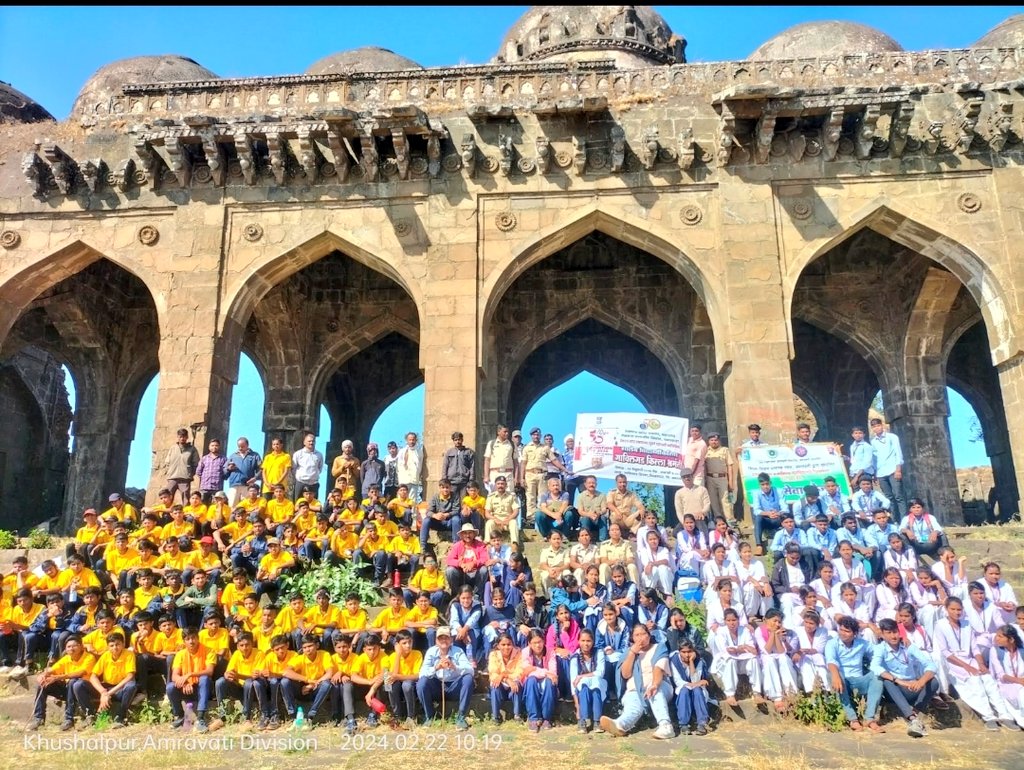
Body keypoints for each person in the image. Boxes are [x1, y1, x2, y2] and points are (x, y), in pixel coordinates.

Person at [935, 596, 1017, 730]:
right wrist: (967, 667)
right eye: (953, 609)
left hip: (971, 661)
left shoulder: (967, 624)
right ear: (946, 609)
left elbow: (974, 647)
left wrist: (981, 664)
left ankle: (1005, 715)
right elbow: (945, 652)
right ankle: (988, 716)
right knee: (975, 683)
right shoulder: (940, 625)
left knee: (988, 679)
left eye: (959, 609)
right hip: (954, 663)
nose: (957, 612)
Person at [599, 622, 675, 739]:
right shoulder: (629, 652)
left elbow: (659, 667)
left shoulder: (659, 647)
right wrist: (632, 653)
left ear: (649, 635)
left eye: (643, 634)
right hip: (635, 688)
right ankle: (620, 724)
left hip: (659, 684)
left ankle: (666, 726)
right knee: (633, 705)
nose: (640, 638)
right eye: (637, 635)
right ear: (632, 638)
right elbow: (625, 674)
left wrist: (654, 685)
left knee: (656, 693)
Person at [871, 618, 938, 737]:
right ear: (882, 634)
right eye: (889, 633)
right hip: (897, 688)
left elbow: (930, 665)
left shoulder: (908, 646)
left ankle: (916, 712)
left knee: (933, 682)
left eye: (895, 632)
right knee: (887, 681)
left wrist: (921, 681)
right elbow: (875, 667)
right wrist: (900, 681)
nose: (893, 636)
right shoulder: (880, 649)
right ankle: (912, 719)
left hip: (913, 687)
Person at [826, 615, 885, 732]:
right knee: (834, 675)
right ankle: (853, 719)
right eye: (841, 630)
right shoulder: (832, 643)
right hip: (842, 680)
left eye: (847, 631)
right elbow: (831, 661)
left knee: (877, 676)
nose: (842, 633)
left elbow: (879, 651)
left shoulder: (861, 643)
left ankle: (869, 718)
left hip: (859, 680)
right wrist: (836, 675)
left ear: (854, 634)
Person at [25, 634, 95, 732]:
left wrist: (59, 677)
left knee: (73, 681)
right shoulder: (66, 658)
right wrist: (44, 675)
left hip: (84, 690)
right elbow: (52, 669)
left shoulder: (89, 657)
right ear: (65, 649)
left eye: (74, 646)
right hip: (69, 691)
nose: (71, 649)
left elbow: (81, 672)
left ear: (81, 646)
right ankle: (39, 718)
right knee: (43, 685)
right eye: (68, 647)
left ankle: (69, 719)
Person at [417, 626, 474, 730]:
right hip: (438, 686)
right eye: (440, 638)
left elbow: (470, 670)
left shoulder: (458, 651)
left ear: (451, 639)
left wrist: (454, 667)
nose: (444, 640)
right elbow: (422, 673)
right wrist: (436, 667)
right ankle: (429, 716)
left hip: (454, 686)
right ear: (436, 641)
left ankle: (461, 717)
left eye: (446, 638)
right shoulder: (431, 652)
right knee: (422, 683)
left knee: (468, 679)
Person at [84, 631, 138, 728]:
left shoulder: (129, 654)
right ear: (108, 646)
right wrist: (103, 692)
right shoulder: (105, 655)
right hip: (106, 687)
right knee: (78, 684)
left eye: (118, 644)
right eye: (112, 645)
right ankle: (90, 716)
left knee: (131, 685)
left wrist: (108, 694)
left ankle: (120, 717)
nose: (115, 648)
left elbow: (130, 676)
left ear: (123, 644)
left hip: (120, 689)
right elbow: (93, 676)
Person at [166, 627, 215, 732]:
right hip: (187, 688)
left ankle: (201, 718)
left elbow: (210, 671)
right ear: (184, 641)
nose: (191, 641)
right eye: (188, 639)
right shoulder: (180, 654)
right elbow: (174, 676)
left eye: (193, 638)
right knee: (170, 687)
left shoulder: (209, 650)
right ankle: (179, 716)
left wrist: (190, 675)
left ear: (198, 638)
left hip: (202, 688)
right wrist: (184, 683)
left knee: (204, 678)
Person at [282, 633, 335, 726]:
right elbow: (286, 672)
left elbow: (329, 673)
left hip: (316, 689)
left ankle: (311, 715)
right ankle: (293, 715)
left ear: (317, 645)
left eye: (310, 646)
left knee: (327, 684)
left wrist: (312, 685)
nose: (307, 649)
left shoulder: (324, 655)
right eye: (305, 647)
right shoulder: (300, 658)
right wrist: (308, 680)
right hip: (301, 689)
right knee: (285, 681)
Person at [712, 608, 761, 706]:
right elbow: (726, 650)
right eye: (728, 621)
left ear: (738, 620)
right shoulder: (721, 632)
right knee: (730, 660)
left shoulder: (745, 630)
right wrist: (742, 648)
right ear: (725, 621)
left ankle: (757, 693)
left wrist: (739, 649)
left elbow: (752, 649)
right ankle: (730, 695)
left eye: (734, 620)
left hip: (743, 661)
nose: (732, 623)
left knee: (754, 660)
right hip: (725, 663)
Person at [519, 427, 568, 526]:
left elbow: (554, 460)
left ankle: (541, 515)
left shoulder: (545, 448)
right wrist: (521, 478)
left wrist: (564, 469)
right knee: (530, 496)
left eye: (538, 434)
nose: (536, 436)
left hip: (542, 474)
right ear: (531, 436)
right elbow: (523, 463)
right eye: (534, 435)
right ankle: (531, 518)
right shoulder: (527, 448)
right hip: (530, 473)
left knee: (542, 496)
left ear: (540, 436)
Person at [754, 608, 799, 712]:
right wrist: (772, 635)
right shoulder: (759, 631)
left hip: (779, 656)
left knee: (784, 658)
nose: (777, 624)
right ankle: (776, 697)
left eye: (779, 621)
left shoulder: (782, 632)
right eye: (774, 621)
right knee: (769, 660)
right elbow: (767, 651)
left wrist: (778, 637)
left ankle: (791, 693)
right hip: (766, 657)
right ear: (766, 620)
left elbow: (782, 652)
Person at [519, 627, 558, 732]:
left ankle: (546, 718)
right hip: (531, 683)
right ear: (529, 643)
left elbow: (553, 673)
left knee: (550, 682)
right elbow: (526, 671)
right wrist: (544, 672)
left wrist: (535, 669)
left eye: (540, 642)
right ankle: (533, 718)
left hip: (546, 682)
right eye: (534, 642)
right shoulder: (525, 652)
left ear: (543, 641)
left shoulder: (550, 652)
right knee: (531, 679)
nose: (537, 645)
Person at [571, 627, 607, 733]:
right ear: (578, 641)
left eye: (588, 641)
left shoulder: (598, 652)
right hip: (583, 688)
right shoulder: (575, 657)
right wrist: (577, 707)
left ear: (593, 642)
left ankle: (597, 721)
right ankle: (583, 719)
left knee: (596, 685)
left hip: (597, 684)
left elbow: (600, 672)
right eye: (583, 641)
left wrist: (581, 676)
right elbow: (573, 683)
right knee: (583, 686)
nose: (586, 644)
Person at [870, 418, 906, 520]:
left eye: (878, 425)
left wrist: (898, 469)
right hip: (881, 472)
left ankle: (903, 519)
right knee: (888, 498)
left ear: (882, 425)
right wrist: (875, 474)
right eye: (874, 426)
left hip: (892, 470)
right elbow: (874, 459)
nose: (876, 428)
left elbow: (898, 453)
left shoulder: (892, 437)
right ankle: (894, 520)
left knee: (898, 496)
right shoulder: (873, 442)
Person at [385, 629, 422, 724]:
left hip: (410, 683)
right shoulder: (392, 656)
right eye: (404, 643)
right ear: (397, 645)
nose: (408, 645)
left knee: (407, 685)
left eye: (410, 642)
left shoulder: (417, 654)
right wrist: (398, 654)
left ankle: (411, 716)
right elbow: (393, 675)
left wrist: (397, 677)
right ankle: (396, 715)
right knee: (389, 683)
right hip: (397, 683)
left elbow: (417, 675)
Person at [990, 624, 1024, 729]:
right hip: (1006, 684)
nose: (996, 638)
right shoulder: (995, 651)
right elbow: (1001, 675)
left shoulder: (1021, 650)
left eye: (1000, 636)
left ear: (1011, 639)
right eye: (996, 635)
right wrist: (1018, 681)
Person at [488, 631, 523, 722]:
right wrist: (506, 679)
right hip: (501, 685)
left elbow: (519, 672)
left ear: (512, 644)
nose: (506, 647)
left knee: (516, 685)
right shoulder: (493, 654)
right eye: (503, 645)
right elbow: (493, 673)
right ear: (498, 646)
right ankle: (495, 716)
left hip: (513, 683)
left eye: (509, 644)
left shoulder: (518, 653)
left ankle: (517, 715)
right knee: (494, 685)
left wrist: (503, 675)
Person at [702, 433, 736, 522]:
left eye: (716, 440)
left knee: (725, 500)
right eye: (712, 440)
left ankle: (730, 520)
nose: (714, 442)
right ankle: (719, 520)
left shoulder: (724, 450)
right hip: (710, 478)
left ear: (719, 441)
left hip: (722, 478)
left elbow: (730, 466)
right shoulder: (706, 451)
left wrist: (731, 482)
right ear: (708, 441)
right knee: (713, 501)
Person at [750, 473, 784, 556]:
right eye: (763, 484)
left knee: (787, 516)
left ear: (770, 483)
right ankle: (759, 546)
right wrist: (768, 514)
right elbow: (756, 510)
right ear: (759, 485)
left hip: (777, 518)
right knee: (758, 518)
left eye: (767, 484)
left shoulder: (778, 491)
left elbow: (785, 508)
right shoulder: (756, 493)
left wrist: (778, 513)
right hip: (766, 519)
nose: (765, 486)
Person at [164, 428, 200, 504]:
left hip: (185, 478)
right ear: (178, 437)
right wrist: (169, 472)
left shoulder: (192, 449)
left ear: (187, 437)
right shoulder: (173, 448)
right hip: (172, 477)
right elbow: (167, 462)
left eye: (184, 436)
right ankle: (166, 515)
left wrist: (190, 473)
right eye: (180, 436)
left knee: (185, 499)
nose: (182, 438)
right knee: (168, 497)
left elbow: (196, 463)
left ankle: (185, 515)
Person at [483, 475, 521, 547]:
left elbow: (516, 511)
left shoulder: (511, 496)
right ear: (495, 485)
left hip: (508, 521)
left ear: (506, 485)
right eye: (498, 484)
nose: (500, 485)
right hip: (496, 522)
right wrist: (495, 519)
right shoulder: (491, 497)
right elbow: (487, 513)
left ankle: (514, 544)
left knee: (513, 522)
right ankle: (488, 544)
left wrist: (508, 519)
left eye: (502, 484)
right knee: (489, 523)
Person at [225, 437, 262, 508]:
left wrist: (255, 478)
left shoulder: (254, 455)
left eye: (242, 446)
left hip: (247, 485)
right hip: (234, 485)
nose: (240, 448)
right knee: (232, 506)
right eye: (239, 446)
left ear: (247, 445)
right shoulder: (233, 456)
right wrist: (229, 468)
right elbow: (225, 469)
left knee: (246, 507)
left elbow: (261, 468)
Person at [674, 467, 712, 534]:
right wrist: (684, 522)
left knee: (703, 534)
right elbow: (679, 511)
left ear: (692, 476)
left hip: (700, 518)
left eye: (688, 476)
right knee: (675, 533)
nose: (686, 478)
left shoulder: (702, 489)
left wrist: (702, 512)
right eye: (684, 477)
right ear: (682, 479)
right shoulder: (679, 493)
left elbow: (707, 504)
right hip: (687, 520)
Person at [441, 431, 475, 503]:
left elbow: (472, 466)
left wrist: (471, 479)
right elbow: (445, 465)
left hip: (464, 481)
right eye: (455, 440)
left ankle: (462, 514)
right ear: (453, 441)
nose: (458, 441)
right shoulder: (449, 452)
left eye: (459, 439)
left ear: (462, 440)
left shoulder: (468, 452)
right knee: (452, 501)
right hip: (452, 481)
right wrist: (444, 478)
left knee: (464, 501)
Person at [291, 433, 324, 502]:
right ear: (304, 442)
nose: (311, 443)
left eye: (313, 441)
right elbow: (293, 468)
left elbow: (320, 468)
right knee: (298, 503)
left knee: (313, 504)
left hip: (314, 483)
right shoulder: (298, 454)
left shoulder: (319, 454)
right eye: (309, 441)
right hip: (301, 482)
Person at [195, 439, 228, 504]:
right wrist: (205, 478)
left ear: (219, 447)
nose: (214, 447)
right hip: (205, 487)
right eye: (212, 445)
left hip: (217, 487)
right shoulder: (204, 458)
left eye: (216, 445)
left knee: (215, 505)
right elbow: (198, 471)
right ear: (209, 447)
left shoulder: (224, 459)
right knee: (203, 505)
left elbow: (225, 474)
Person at [397, 432, 425, 503]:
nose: (411, 441)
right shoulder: (402, 451)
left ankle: (412, 514)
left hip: (414, 479)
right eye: (410, 440)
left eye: (413, 440)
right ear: (407, 440)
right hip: (403, 480)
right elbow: (399, 466)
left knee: (412, 501)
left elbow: (420, 465)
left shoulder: (419, 451)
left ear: (416, 440)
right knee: (401, 500)